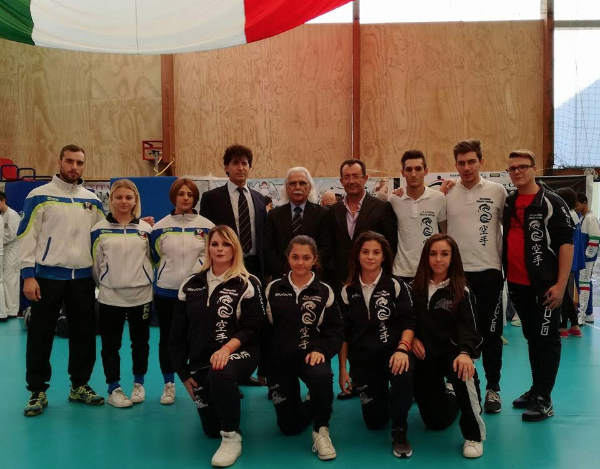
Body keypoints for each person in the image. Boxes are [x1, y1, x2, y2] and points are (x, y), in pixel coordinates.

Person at [18, 144, 106, 416]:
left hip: (83, 279)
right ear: (59, 162)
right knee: (40, 335)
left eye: (79, 162)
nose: (74, 167)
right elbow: (26, 236)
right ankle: (37, 390)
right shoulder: (39, 195)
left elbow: (103, 235)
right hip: (47, 277)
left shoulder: (92, 200)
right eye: (69, 161)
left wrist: (137, 222)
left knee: (84, 335)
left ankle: (79, 385)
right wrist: (28, 275)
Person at [170, 225, 265, 468]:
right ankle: (224, 395)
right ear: (208, 248)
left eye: (226, 244)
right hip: (202, 360)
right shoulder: (190, 284)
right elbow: (177, 334)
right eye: (215, 244)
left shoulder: (248, 283)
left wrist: (226, 349)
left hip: (240, 352)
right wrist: (184, 373)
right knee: (211, 429)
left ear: (235, 249)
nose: (220, 249)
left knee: (220, 372)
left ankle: (232, 438)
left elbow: (253, 327)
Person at [503, 150, 574, 422]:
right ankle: (536, 389)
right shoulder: (509, 201)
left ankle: (545, 398)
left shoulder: (551, 201)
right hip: (517, 284)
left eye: (522, 166)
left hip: (545, 286)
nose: (517, 171)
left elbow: (566, 244)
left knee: (547, 340)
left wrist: (561, 285)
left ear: (534, 169)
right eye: (512, 168)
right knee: (533, 338)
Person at [263, 235, 343, 460]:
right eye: (295, 257)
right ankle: (312, 404)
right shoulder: (272, 289)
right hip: (281, 360)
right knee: (288, 427)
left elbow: (336, 331)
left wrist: (321, 350)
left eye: (306, 258)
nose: (300, 262)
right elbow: (264, 330)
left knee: (322, 376)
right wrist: (264, 366)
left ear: (314, 259)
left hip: (311, 354)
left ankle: (321, 430)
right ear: (287, 258)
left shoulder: (325, 291)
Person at [338, 231, 416, 458]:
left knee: (402, 375)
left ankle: (400, 429)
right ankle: (389, 396)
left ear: (384, 256)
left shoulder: (396, 285)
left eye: (376, 252)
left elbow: (409, 321)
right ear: (357, 255)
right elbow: (344, 333)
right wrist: (342, 369)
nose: (370, 257)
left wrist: (402, 349)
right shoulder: (347, 290)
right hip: (364, 360)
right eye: (365, 252)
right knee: (375, 423)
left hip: (395, 353)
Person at [443, 139, 507, 413]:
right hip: (458, 275)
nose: (466, 167)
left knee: (491, 333)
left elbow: (511, 229)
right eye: (461, 163)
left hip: (490, 273)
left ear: (481, 161)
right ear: (456, 165)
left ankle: (493, 388)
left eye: (471, 161)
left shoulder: (498, 191)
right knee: (454, 332)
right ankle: (452, 383)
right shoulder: (446, 193)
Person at [411, 233, 485, 458]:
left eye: (444, 254)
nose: (438, 259)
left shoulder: (462, 290)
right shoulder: (414, 288)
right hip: (426, 356)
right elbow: (407, 321)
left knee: (463, 372)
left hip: (453, 355)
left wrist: (465, 353)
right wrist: (412, 338)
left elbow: (470, 329)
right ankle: (451, 395)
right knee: (435, 423)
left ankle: (473, 434)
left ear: (453, 258)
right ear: (426, 257)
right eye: (433, 254)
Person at [150, 178, 215, 404]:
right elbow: (155, 257)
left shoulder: (207, 226)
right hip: (166, 292)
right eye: (181, 194)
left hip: (198, 293)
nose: (185, 198)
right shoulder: (159, 227)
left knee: (201, 338)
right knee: (167, 339)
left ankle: (206, 381)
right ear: (173, 197)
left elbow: (212, 257)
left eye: (190, 194)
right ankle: (169, 385)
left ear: (195, 198)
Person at [91, 179, 154, 407]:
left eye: (129, 197)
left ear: (136, 200)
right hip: (110, 297)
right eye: (119, 197)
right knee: (111, 345)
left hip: (141, 296)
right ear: (111, 199)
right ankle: (113, 388)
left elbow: (152, 259)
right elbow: (96, 264)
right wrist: (107, 282)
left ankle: (139, 383)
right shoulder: (99, 229)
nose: (124, 201)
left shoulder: (146, 230)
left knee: (140, 343)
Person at [200, 144, 267, 282]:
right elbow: (205, 235)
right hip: (225, 265)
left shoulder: (259, 199)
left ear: (250, 167)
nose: (240, 168)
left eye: (244, 163)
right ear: (226, 167)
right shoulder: (211, 198)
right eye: (235, 163)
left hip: (256, 266)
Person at [329, 159, 398, 291]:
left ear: (365, 179)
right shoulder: (333, 210)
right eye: (347, 177)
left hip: (373, 280)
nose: (351, 181)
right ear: (341, 181)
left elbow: (390, 246)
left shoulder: (382, 208)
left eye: (356, 176)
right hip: (341, 281)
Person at [264, 167, 331, 280]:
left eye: (302, 183)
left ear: (309, 188)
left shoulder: (323, 214)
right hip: (282, 278)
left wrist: (307, 270)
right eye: (292, 183)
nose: (297, 187)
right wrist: (287, 274)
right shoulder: (274, 215)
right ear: (287, 188)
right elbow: (268, 249)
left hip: (314, 278)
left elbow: (326, 248)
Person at [389, 150, 447, 282]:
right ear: (402, 172)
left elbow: (445, 232)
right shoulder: (394, 199)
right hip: (401, 271)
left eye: (418, 169)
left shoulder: (439, 198)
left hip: (430, 269)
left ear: (426, 171)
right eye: (409, 169)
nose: (413, 174)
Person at [555, 188, 585, 337]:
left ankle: (563, 326)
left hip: (567, 260)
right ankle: (573, 325)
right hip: (573, 260)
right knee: (566, 293)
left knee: (564, 293)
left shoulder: (567, 216)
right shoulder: (575, 215)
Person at [575, 191, 600, 325]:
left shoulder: (591, 218)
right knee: (584, 284)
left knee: (584, 284)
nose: (576, 208)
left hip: (586, 259)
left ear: (584, 203)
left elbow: (595, 238)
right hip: (582, 258)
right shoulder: (582, 218)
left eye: (577, 205)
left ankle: (582, 315)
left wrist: (587, 256)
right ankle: (588, 313)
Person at [0, 192, 20, 319]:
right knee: (6, 281)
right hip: (5, 251)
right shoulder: (3, 215)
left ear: (3, 201)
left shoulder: (12, 215)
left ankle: (12, 310)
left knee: (11, 281)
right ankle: (6, 309)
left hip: (13, 252)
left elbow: (11, 235)